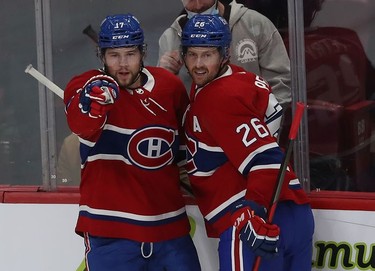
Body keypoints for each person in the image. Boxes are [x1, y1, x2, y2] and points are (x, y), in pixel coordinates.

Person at [63, 13, 201, 270]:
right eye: (114, 55)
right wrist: (96, 100)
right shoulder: (83, 86)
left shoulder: (169, 87)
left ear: (142, 53)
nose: (123, 64)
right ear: (101, 56)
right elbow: (81, 124)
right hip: (110, 233)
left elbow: (188, 150)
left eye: (130, 54)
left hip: (170, 230)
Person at [181, 14, 314, 270]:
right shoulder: (240, 78)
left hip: (253, 221)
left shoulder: (217, 97)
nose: (198, 63)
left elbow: (267, 160)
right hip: (295, 212)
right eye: (192, 54)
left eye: (207, 55)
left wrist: (251, 210)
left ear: (225, 53)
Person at [158, 0, 291, 107]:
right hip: (198, 132)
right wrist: (164, 76)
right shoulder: (171, 38)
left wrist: (265, 123)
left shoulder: (255, 25)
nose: (198, 4)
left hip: (252, 128)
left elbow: (282, 84)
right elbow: (162, 103)